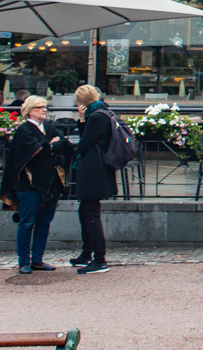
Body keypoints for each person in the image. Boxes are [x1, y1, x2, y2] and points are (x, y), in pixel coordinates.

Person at [0, 96, 73, 274]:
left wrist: (51, 148)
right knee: (27, 223)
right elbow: (36, 152)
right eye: (40, 107)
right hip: (29, 186)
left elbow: (65, 145)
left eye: (45, 107)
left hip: (50, 184)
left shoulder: (49, 127)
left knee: (44, 223)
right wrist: (51, 148)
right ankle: (24, 261)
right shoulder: (24, 130)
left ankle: (38, 260)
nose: (44, 110)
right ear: (29, 111)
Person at [71, 84, 116, 274]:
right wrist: (83, 119)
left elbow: (83, 144)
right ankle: (86, 254)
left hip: (93, 170)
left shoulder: (96, 117)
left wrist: (82, 120)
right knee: (86, 211)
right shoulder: (103, 112)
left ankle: (99, 258)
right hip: (99, 169)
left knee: (90, 214)